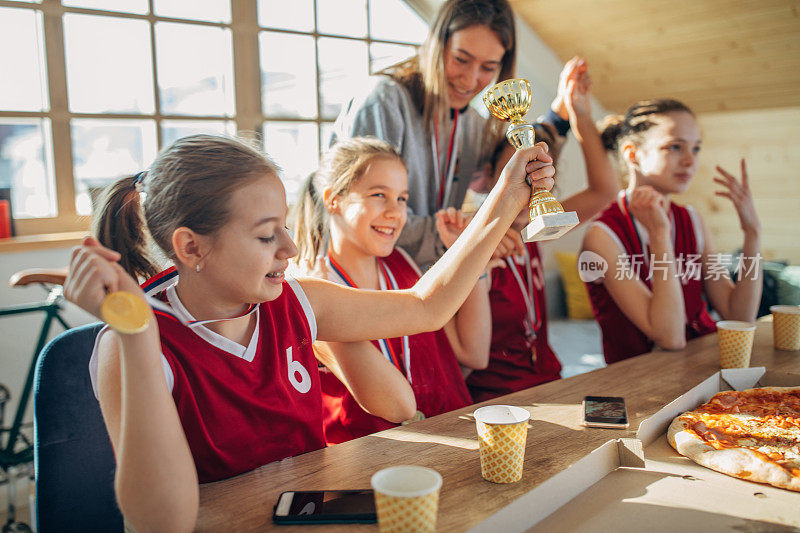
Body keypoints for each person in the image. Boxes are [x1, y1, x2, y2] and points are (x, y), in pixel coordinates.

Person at [64, 134, 554, 531]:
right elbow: (161, 522)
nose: (290, 246)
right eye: (264, 234)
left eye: (284, 226)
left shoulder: (294, 301)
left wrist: (508, 196)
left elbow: (426, 306)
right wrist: (135, 338)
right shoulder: (133, 344)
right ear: (192, 248)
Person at [293, 137, 491, 443]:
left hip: (450, 439)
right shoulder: (314, 291)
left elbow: (474, 353)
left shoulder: (405, 266)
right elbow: (397, 409)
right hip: (369, 462)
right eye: (378, 195)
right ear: (333, 199)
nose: (395, 212)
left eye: (401, 198)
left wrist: (464, 256)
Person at [332, 0, 532, 269]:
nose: (471, 80)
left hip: (427, 277)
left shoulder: (472, 123)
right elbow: (362, 214)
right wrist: (467, 231)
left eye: (488, 68)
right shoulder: (383, 103)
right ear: (436, 44)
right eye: (461, 59)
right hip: (361, 276)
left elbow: (498, 176)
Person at [465, 57, 620, 402]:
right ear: (490, 175)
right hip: (494, 399)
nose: (528, 182)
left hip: (551, 381)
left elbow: (605, 191)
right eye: (514, 170)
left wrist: (580, 114)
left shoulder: (541, 223)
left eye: (537, 170)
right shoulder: (469, 240)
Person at [581, 99, 762, 364]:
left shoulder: (691, 219)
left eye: (696, 148)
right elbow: (670, 337)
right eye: (675, 147)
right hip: (640, 383)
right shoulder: (603, 235)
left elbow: (739, 317)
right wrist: (659, 236)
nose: (691, 161)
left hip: (700, 368)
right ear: (632, 154)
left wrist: (752, 231)